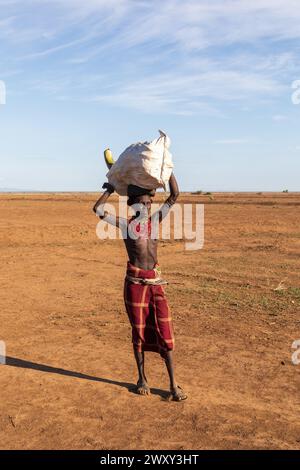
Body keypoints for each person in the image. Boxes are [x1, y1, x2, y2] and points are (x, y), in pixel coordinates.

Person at [93, 173, 187, 401]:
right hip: (135, 284)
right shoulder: (126, 225)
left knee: (165, 331)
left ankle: (174, 384)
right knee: (139, 331)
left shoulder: (155, 222)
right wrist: (111, 188)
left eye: (148, 202)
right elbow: (98, 209)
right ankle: (142, 378)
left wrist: (168, 168)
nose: (146, 206)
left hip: (155, 282)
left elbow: (174, 195)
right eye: (142, 203)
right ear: (132, 205)